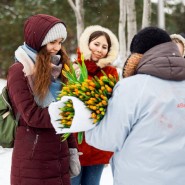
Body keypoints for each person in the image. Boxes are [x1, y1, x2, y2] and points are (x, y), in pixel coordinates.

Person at [85, 27, 185, 185]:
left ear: (139, 55)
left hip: (140, 177)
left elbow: (108, 139)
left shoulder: (132, 87)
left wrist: (87, 121)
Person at [7, 14, 80, 185]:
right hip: (33, 157)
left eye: (60, 42)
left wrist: (72, 149)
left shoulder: (61, 69)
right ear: (37, 40)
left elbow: (65, 117)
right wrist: (70, 113)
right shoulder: (20, 71)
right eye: (52, 42)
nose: (57, 47)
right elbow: (31, 116)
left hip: (59, 156)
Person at [71, 25, 119, 185]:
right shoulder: (73, 68)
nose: (99, 49)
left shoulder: (111, 72)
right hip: (74, 143)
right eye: (96, 44)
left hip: (98, 143)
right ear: (87, 44)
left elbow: (114, 102)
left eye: (104, 47)